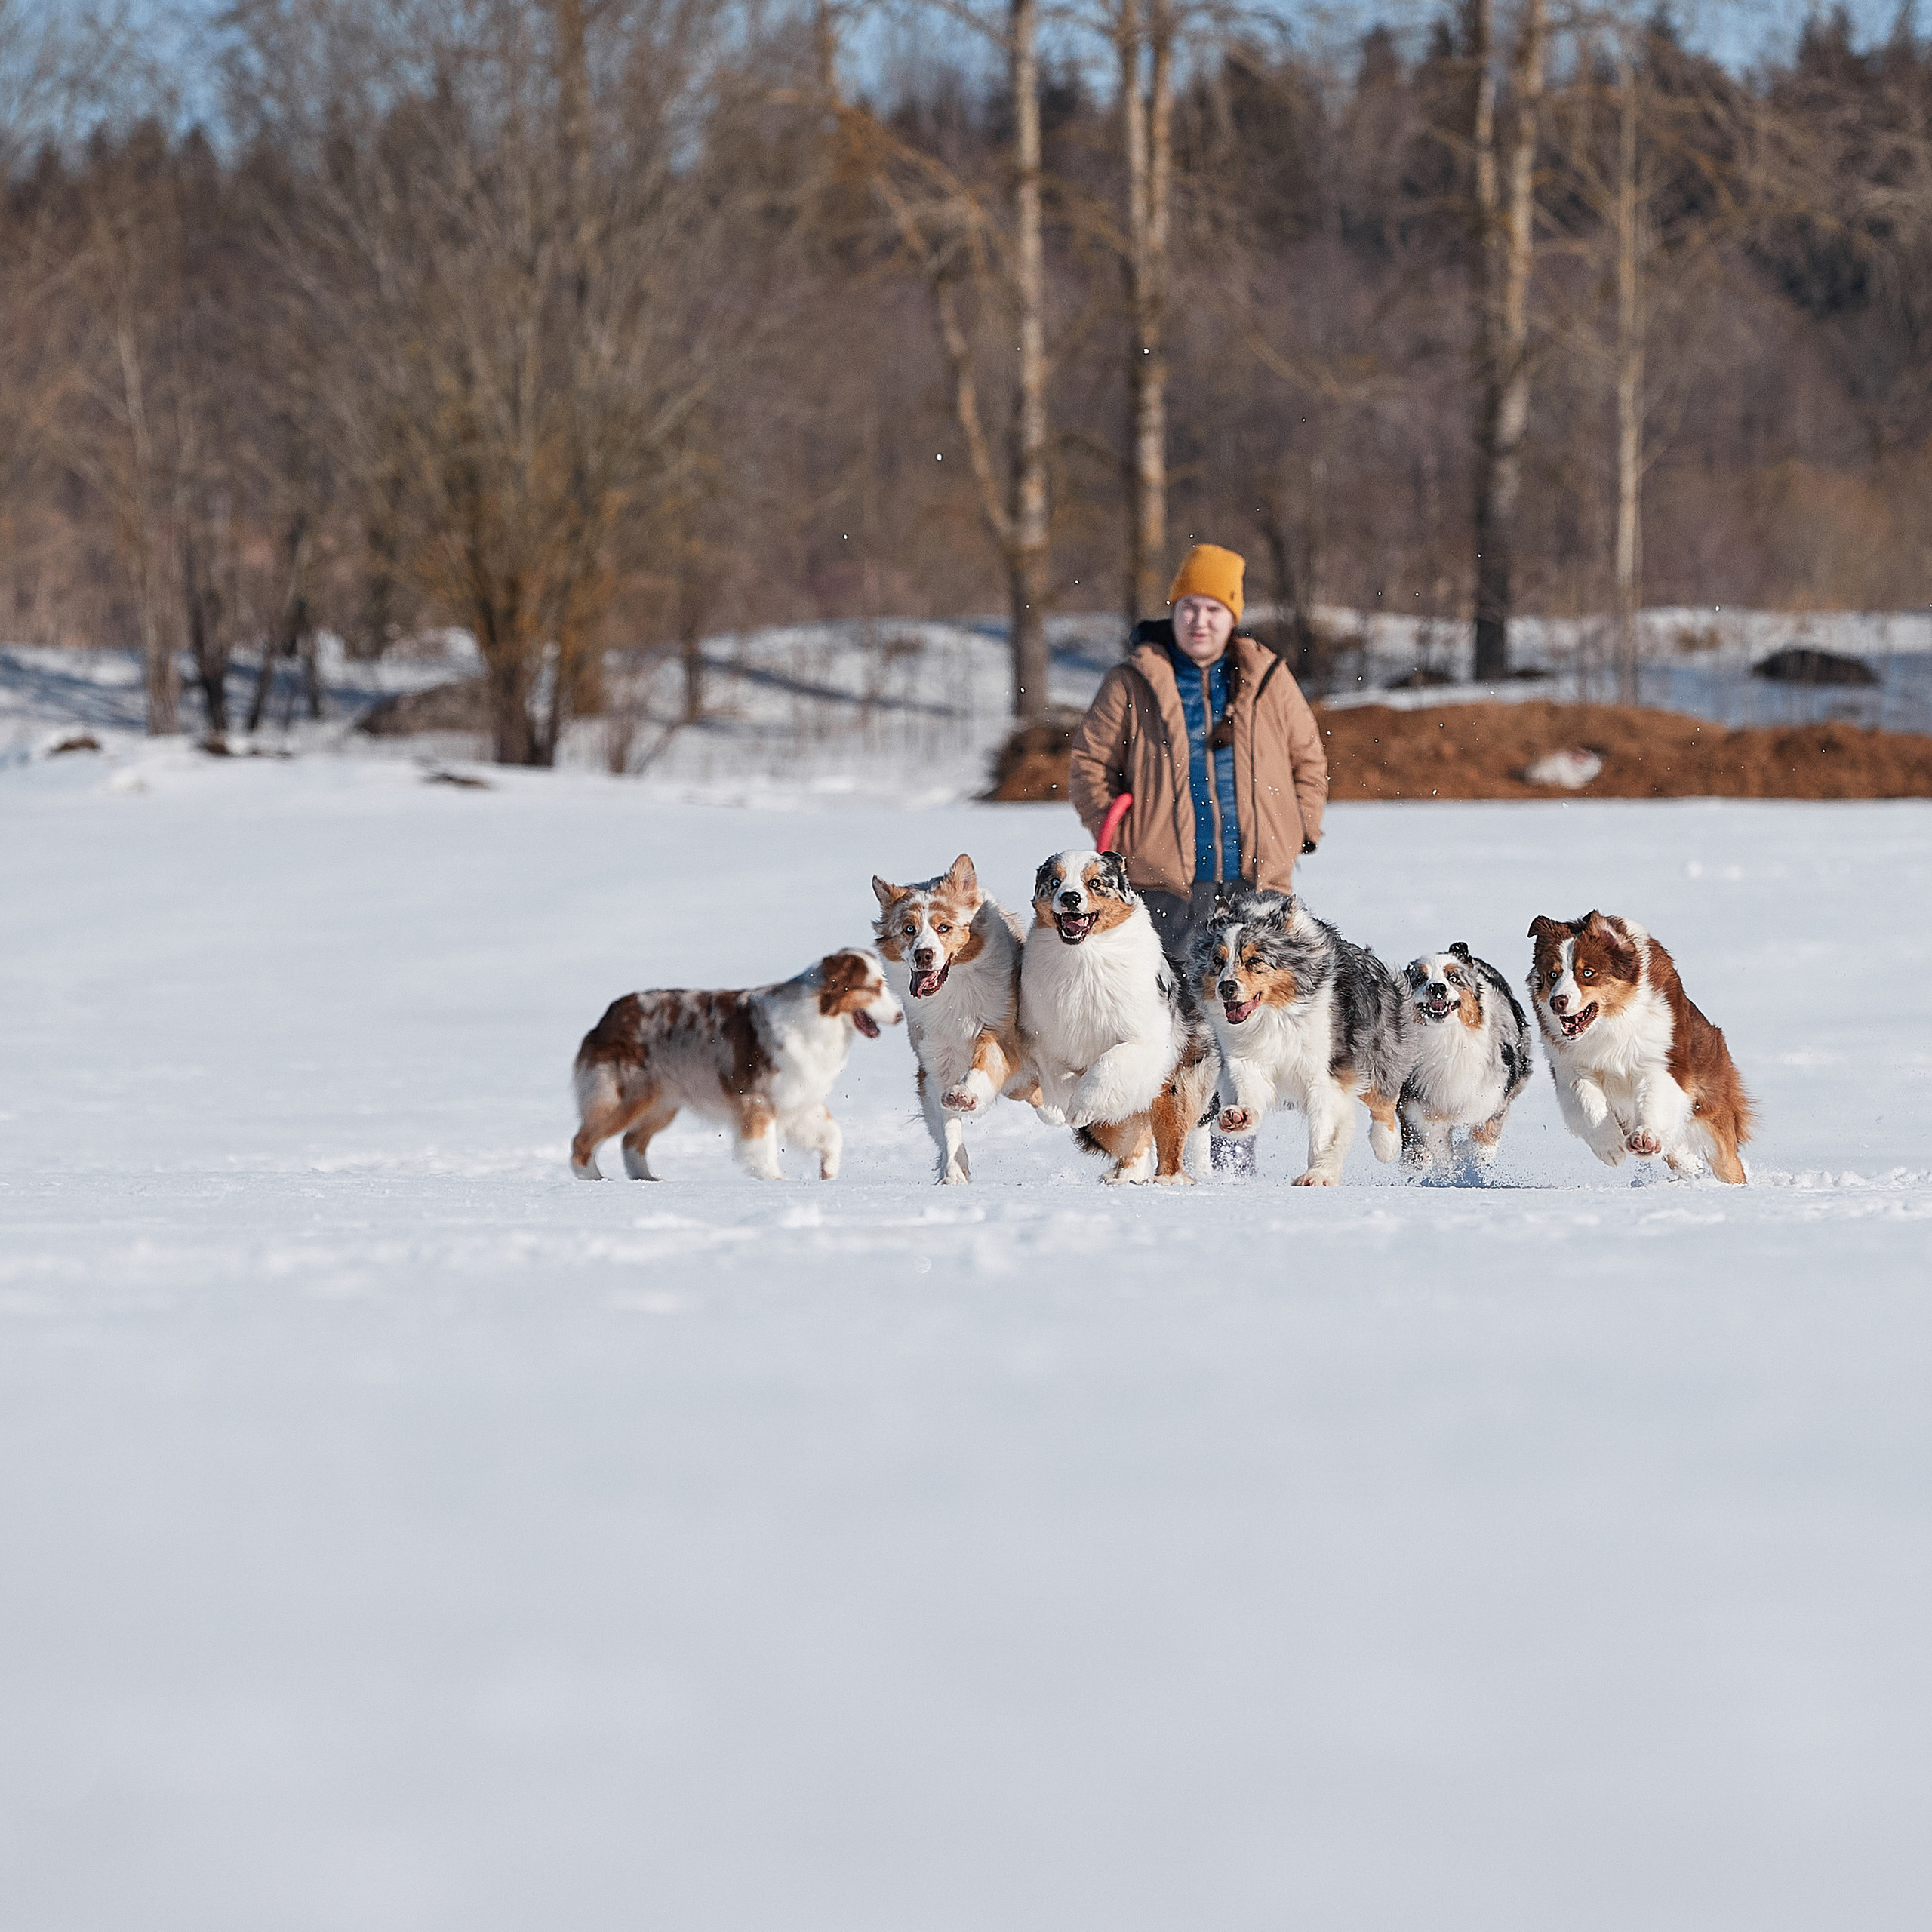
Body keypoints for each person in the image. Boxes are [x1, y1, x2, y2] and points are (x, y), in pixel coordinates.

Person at [1069, 542, 1328, 961]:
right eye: (1189, 607)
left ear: (1232, 618)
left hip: (1259, 883)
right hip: (1163, 886)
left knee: (1255, 1013)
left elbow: (1310, 762)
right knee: (1171, 1013)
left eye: (1214, 610)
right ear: (1174, 610)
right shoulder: (1129, 681)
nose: (1200, 622)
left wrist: (1300, 830)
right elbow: (1088, 766)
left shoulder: (1271, 679)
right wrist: (1122, 836)